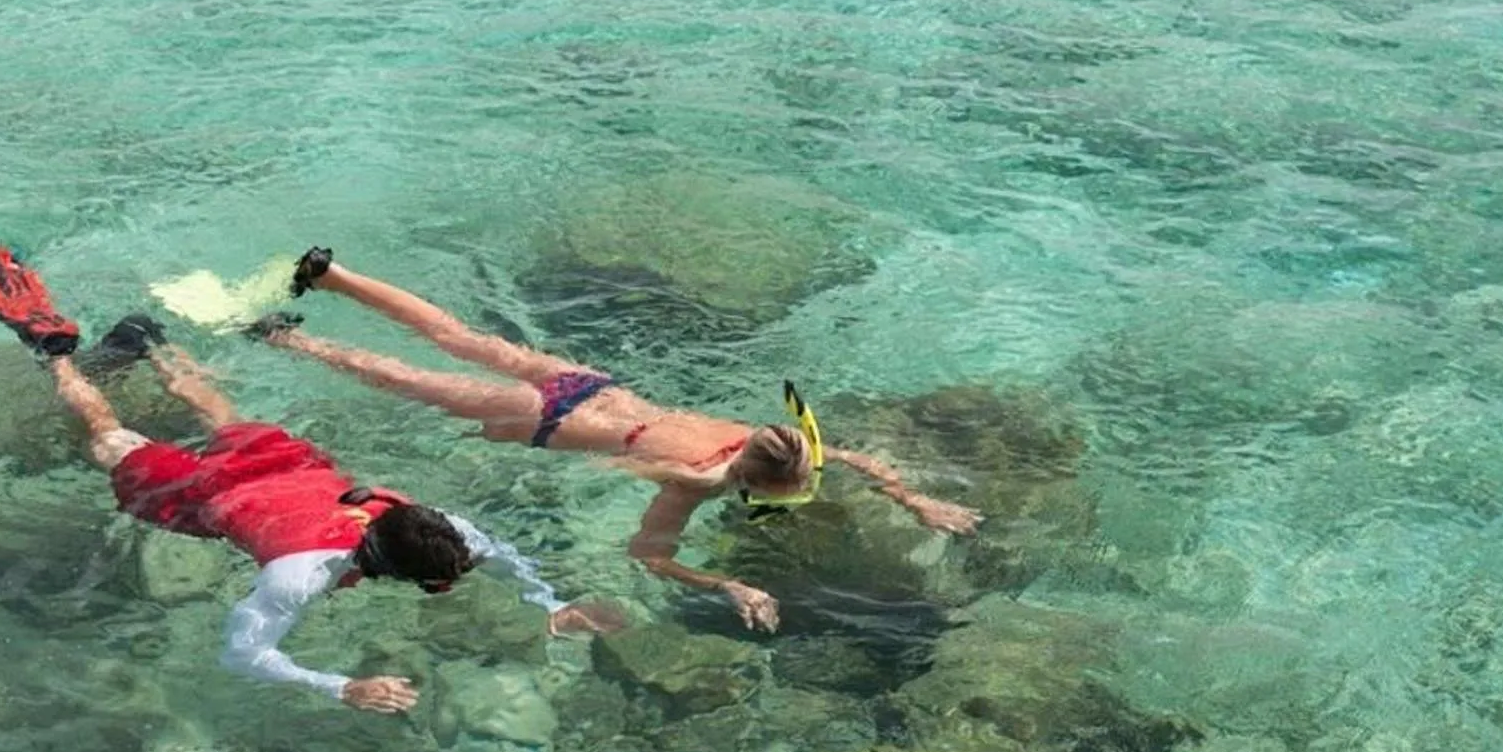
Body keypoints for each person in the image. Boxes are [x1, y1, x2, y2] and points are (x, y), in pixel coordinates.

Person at [0, 241, 618, 715]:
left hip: (288, 469)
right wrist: (337, 686)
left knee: (219, 413)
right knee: (110, 441)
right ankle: (55, 352)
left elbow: (493, 553)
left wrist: (548, 602)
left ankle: (150, 341)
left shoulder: (431, 521)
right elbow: (242, 655)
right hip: (214, 496)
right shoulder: (297, 578)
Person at [245, 248, 982, 632]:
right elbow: (649, 557)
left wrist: (917, 500)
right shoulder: (691, 483)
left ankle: (331, 274)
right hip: (545, 418)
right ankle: (286, 343)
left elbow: (844, 455)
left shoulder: (768, 441)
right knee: (409, 381)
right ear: (751, 484)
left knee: (453, 335)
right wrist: (722, 582)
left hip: (587, 385)